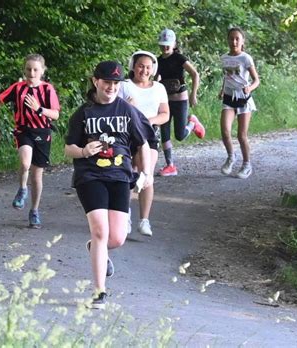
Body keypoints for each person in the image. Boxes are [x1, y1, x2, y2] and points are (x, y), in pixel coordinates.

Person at [65, 61, 154, 309]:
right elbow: (68, 149)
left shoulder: (127, 110)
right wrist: (83, 151)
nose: (111, 88)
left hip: (120, 177)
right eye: (107, 83)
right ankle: (99, 291)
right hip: (90, 177)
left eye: (116, 84)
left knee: (116, 237)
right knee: (100, 231)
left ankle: (97, 249)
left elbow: (142, 144)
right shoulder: (83, 113)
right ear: (96, 81)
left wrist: (146, 173)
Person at [0, 54, 60, 228]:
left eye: (35, 69)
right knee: (25, 163)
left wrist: (39, 109)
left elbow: (56, 114)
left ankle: (34, 211)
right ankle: (22, 189)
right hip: (23, 131)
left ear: (42, 71)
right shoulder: (17, 88)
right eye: (28, 69)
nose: (32, 73)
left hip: (43, 132)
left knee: (37, 175)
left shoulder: (48, 89)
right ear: (24, 70)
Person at [119, 50, 169, 236]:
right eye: (141, 66)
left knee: (146, 175)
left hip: (149, 135)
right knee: (127, 175)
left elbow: (165, 114)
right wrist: (127, 106)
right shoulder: (124, 85)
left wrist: (150, 120)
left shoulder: (159, 88)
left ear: (153, 69)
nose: (144, 70)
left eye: (148, 67)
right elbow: (113, 107)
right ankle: (125, 216)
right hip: (126, 135)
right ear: (133, 66)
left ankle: (144, 220)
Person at [156, 28, 206, 177]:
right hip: (165, 101)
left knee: (180, 135)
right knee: (164, 132)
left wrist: (193, 95)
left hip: (180, 99)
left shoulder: (179, 58)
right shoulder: (158, 61)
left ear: (173, 44)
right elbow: (156, 78)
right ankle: (170, 165)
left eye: (168, 45)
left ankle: (192, 122)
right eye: (163, 44)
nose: (165, 48)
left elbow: (195, 74)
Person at [219, 27, 260, 179]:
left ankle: (247, 164)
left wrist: (250, 88)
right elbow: (227, 76)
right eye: (231, 38)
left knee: (241, 135)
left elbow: (257, 80)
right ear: (228, 40)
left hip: (243, 99)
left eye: (237, 39)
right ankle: (231, 156)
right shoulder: (224, 58)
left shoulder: (246, 58)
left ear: (242, 42)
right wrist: (222, 89)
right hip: (229, 98)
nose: (234, 41)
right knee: (224, 130)